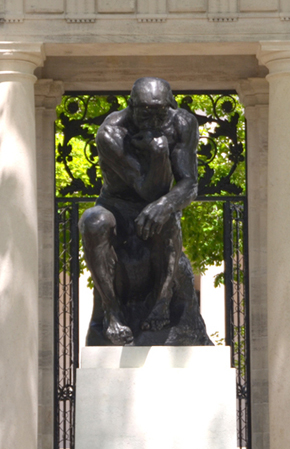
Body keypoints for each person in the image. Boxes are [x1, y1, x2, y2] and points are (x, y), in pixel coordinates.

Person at [80, 77, 212, 347]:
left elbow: (190, 184)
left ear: (171, 106)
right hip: (117, 205)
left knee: (166, 217)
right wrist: (158, 154)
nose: (152, 119)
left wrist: (165, 205)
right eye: (144, 111)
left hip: (158, 203)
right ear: (131, 106)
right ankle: (112, 312)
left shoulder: (183, 123)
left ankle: (162, 301)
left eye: (159, 111)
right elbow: (146, 189)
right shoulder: (111, 132)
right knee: (93, 221)